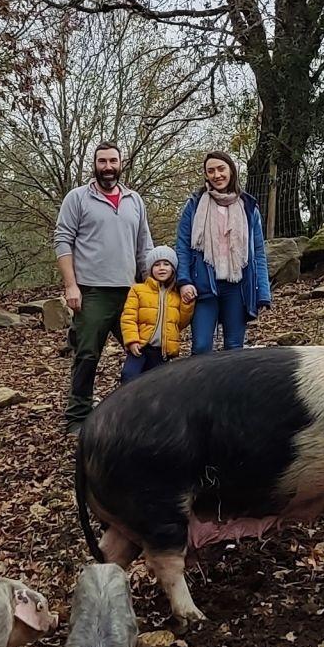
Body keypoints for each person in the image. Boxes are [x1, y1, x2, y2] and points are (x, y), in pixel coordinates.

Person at [53, 141, 154, 431]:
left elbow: (144, 246)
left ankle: (145, 410)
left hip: (130, 291)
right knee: (87, 354)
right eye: (102, 162)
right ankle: (78, 416)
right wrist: (71, 285)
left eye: (113, 161)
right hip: (92, 291)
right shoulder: (78, 198)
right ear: (94, 164)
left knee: (144, 351)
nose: (108, 167)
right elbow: (63, 241)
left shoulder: (134, 200)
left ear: (121, 164)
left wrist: (150, 285)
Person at [174, 150, 271, 353]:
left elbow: (258, 253)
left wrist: (263, 292)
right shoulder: (194, 205)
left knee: (234, 349)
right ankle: (201, 386)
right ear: (205, 175)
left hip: (237, 287)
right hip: (203, 287)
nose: (217, 175)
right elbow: (182, 246)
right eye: (211, 171)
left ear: (231, 171)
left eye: (221, 169)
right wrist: (184, 281)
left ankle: (231, 386)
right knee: (201, 347)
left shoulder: (248, 207)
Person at [119, 247, 188, 384]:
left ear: (173, 268)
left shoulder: (176, 295)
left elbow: (181, 323)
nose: (161, 268)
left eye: (166, 264)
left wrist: (188, 304)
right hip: (141, 347)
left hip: (161, 352)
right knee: (129, 376)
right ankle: (128, 404)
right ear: (150, 269)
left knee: (155, 384)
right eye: (157, 265)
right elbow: (128, 317)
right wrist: (132, 340)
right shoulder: (138, 290)